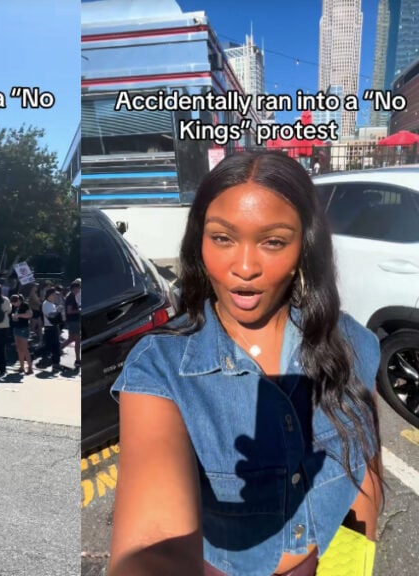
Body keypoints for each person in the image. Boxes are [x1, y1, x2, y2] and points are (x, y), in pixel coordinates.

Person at [108, 151, 383, 576]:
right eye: (223, 238)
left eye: (273, 241)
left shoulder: (350, 341)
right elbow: (152, 540)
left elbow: (365, 470)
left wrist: (352, 563)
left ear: (304, 247)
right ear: (199, 242)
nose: (245, 267)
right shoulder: (160, 368)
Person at [9, 294, 34, 374]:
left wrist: (19, 315)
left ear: (19, 300)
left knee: (25, 348)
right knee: (19, 348)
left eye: (15, 302)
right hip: (16, 327)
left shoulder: (25, 305)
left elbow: (30, 315)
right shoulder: (14, 307)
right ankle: (22, 367)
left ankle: (30, 368)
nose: (14, 304)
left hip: (23, 328)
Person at [42, 288, 64, 371]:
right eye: (54, 295)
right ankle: (34, 355)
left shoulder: (52, 304)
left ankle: (55, 364)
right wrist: (58, 311)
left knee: (54, 346)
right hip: (49, 328)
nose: (55, 296)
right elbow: (50, 316)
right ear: (50, 295)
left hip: (54, 327)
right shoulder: (46, 304)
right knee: (51, 347)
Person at [62, 279, 81, 370]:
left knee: (71, 339)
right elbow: (69, 311)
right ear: (74, 288)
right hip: (73, 321)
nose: (79, 290)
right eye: (78, 288)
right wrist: (79, 311)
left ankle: (57, 350)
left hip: (74, 321)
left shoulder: (73, 296)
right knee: (77, 340)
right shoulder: (71, 297)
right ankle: (78, 360)